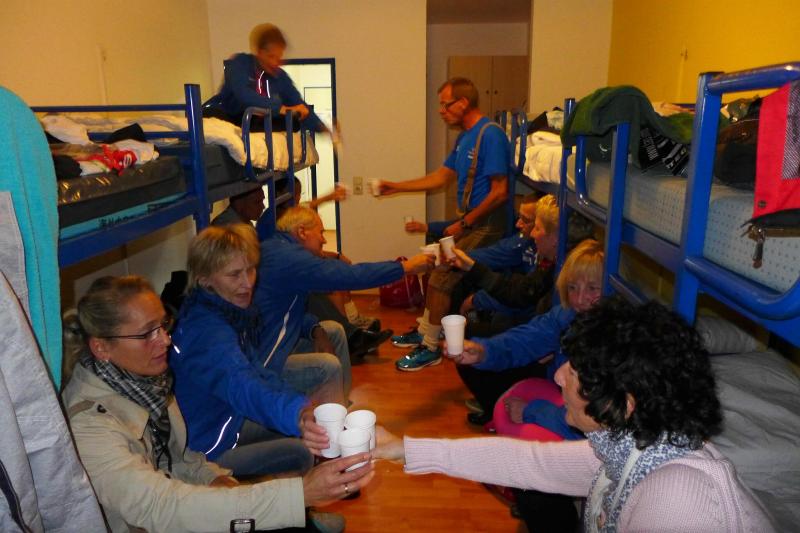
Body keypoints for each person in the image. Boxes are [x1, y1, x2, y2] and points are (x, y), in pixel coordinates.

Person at [374, 297, 775, 533]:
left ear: (624, 404)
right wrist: (400, 448)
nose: (559, 375)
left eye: (576, 372)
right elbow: (526, 461)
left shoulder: (677, 501)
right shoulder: (631, 446)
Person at [62, 275, 373, 533]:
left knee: (274, 512)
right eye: (147, 334)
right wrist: (299, 494)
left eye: (163, 325)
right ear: (101, 347)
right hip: (160, 518)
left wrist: (213, 477)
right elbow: (160, 507)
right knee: (278, 506)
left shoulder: (147, 384)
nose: (165, 340)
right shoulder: (89, 428)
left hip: (176, 503)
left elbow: (180, 458)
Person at [170, 224, 336, 480]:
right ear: (205, 280)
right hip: (205, 451)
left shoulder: (228, 313)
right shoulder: (207, 332)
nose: (247, 283)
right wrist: (297, 415)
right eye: (234, 274)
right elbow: (244, 386)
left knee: (305, 429)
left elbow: (257, 372)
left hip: (229, 423)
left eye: (250, 269)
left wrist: (301, 408)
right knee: (300, 452)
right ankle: (291, 505)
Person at [378, 77, 511, 371]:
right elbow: (440, 177)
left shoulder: (490, 135)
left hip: (487, 225)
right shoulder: (464, 138)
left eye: (445, 104)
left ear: (463, 103)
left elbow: (500, 192)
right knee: (434, 266)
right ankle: (427, 331)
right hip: (471, 222)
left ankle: (430, 347)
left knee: (440, 276)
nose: (441, 111)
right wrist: (397, 186)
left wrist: (464, 223)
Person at [254, 206, 433, 401]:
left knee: (334, 330)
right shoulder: (289, 258)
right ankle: (333, 413)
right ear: (302, 232)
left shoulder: (280, 248)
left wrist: (315, 329)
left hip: (277, 343)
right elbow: (351, 275)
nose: (324, 240)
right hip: (264, 365)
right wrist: (405, 267)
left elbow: (289, 310)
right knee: (328, 367)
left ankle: (341, 404)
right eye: (321, 232)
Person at [203, 23, 329, 135]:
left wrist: (322, 128)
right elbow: (243, 94)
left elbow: (297, 103)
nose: (274, 63)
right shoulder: (240, 63)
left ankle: (254, 126)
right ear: (259, 52)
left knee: (293, 122)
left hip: (255, 120)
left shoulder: (280, 77)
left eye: (278, 57)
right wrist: (279, 108)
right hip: (230, 114)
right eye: (270, 56)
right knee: (210, 118)